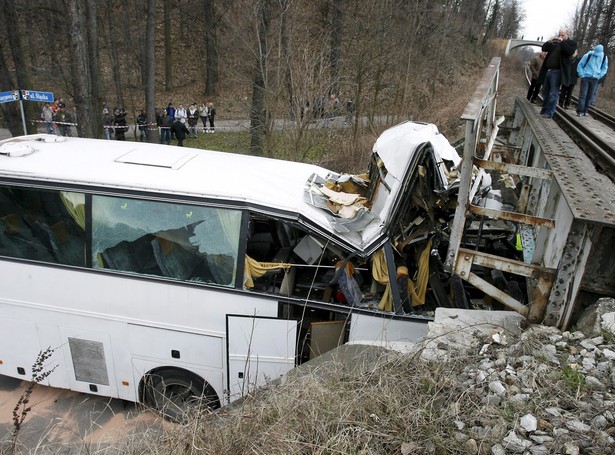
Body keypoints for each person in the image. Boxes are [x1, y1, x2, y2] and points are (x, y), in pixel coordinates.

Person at [538, 28, 577, 119]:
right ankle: (544, 109)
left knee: (553, 93)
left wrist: (562, 42)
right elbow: (544, 48)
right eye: (559, 35)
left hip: (558, 72)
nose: (560, 37)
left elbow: (569, 51)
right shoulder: (555, 43)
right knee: (545, 91)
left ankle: (549, 112)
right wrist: (549, 42)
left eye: (562, 35)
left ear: (567, 34)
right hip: (548, 70)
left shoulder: (571, 43)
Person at [576, 44, 609, 116]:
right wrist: (582, 75)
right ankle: (580, 111)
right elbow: (580, 65)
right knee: (583, 95)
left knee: (590, 96)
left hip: (595, 79)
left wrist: (599, 75)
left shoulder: (604, 57)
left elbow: (604, 68)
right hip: (586, 77)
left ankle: (585, 110)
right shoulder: (588, 55)